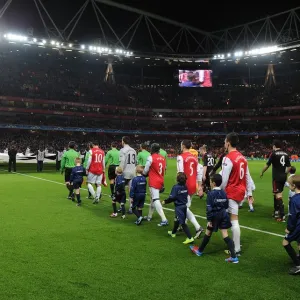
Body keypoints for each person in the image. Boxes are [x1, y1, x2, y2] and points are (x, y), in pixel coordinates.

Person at [190, 174, 238, 263]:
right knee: (225, 235)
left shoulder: (211, 194)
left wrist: (209, 220)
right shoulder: (224, 192)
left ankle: (199, 251)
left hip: (215, 217)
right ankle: (234, 257)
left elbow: (209, 208)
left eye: (211, 181)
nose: (210, 183)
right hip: (223, 215)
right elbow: (226, 205)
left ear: (214, 183)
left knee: (208, 233)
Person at [220, 132, 253, 255]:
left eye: (224, 141)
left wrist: (219, 191)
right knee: (232, 218)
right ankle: (235, 243)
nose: (224, 144)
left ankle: (236, 248)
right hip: (241, 192)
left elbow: (224, 179)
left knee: (234, 219)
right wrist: (249, 193)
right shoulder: (243, 158)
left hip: (232, 192)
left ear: (228, 143)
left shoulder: (228, 158)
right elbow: (247, 176)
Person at [177, 140, 204, 239]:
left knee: (184, 207)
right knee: (187, 204)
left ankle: (198, 227)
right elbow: (199, 173)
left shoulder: (181, 157)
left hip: (185, 184)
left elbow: (181, 173)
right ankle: (182, 224)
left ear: (183, 146)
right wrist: (200, 186)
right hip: (193, 184)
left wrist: (179, 186)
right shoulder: (195, 158)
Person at [260, 140, 291, 221]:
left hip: (276, 177)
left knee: (278, 195)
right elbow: (289, 167)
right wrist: (285, 174)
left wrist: (262, 172)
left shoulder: (273, 154)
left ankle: (282, 215)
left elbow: (267, 165)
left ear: (274, 146)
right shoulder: (286, 154)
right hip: (283, 177)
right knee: (275, 193)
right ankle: (276, 211)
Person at [162, 173, 194, 244]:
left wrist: (165, 201)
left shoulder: (175, 187)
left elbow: (172, 198)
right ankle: (173, 233)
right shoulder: (185, 186)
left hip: (179, 207)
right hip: (184, 206)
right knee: (176, 220)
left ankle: (190, 238)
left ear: (177, 179)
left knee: (182, 223)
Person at [143, 143, 168, 226]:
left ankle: (164, 219)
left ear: (152, 149)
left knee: (155, 199)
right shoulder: (163, 158)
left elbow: (146, 170)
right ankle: (149, 216)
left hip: (153, 181)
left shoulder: (151, 157)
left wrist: (143, 173)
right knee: (152, 199)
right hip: (161, 179)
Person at [282, 175, 300, 275]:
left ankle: (298, 265)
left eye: (289, 184)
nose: (288, 185)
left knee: (285, 242)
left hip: (297, 226)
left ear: (294, 186)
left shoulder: (294, 199)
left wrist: (289, 229)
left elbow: (292, 217)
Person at [119, 136, 137, 213]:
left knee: (121, 190)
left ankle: (121, 206)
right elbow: (136, 162)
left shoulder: (122, 150)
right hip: (133, 172)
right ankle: (131, 208)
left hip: (125, 173)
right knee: (131, 191)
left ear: (123, 141)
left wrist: (119, 172)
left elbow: (122, 162)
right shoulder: (134, 150)